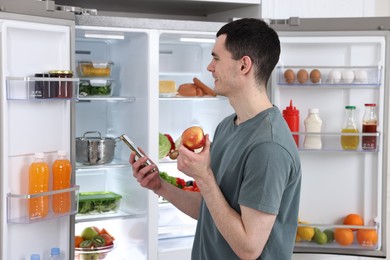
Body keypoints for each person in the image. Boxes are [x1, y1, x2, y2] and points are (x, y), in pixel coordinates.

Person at [130, 18, 302, 260]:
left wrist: (203, 176)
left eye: (217, 58)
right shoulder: (228, 126)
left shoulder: (268, 147)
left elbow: (249, 248)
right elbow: (211, 208)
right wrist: (160, 186)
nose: (210, 67)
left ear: (244, 66)